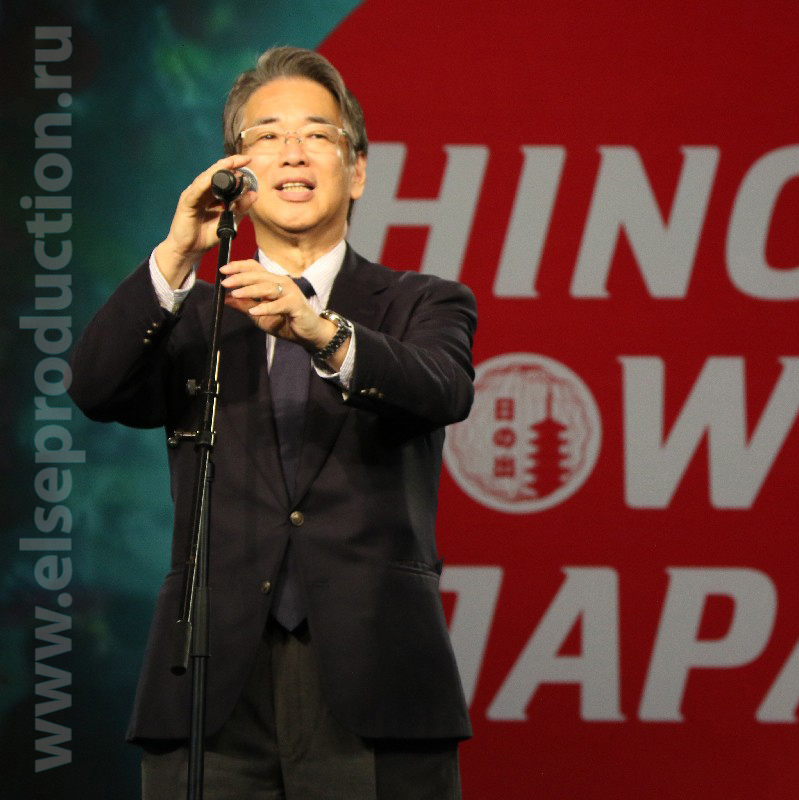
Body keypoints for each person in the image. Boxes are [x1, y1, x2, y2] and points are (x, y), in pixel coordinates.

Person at [68, 47, 476, 799]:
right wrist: (175, 256)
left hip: (377, 679)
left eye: (317, 134)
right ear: (237, 173)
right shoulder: (191, 318)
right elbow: (94, 387)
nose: (293, 152)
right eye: (267, 135)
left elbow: (443, 388)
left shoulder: (423, 303)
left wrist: (320, 331)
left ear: (357, 170)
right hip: (209, 683)